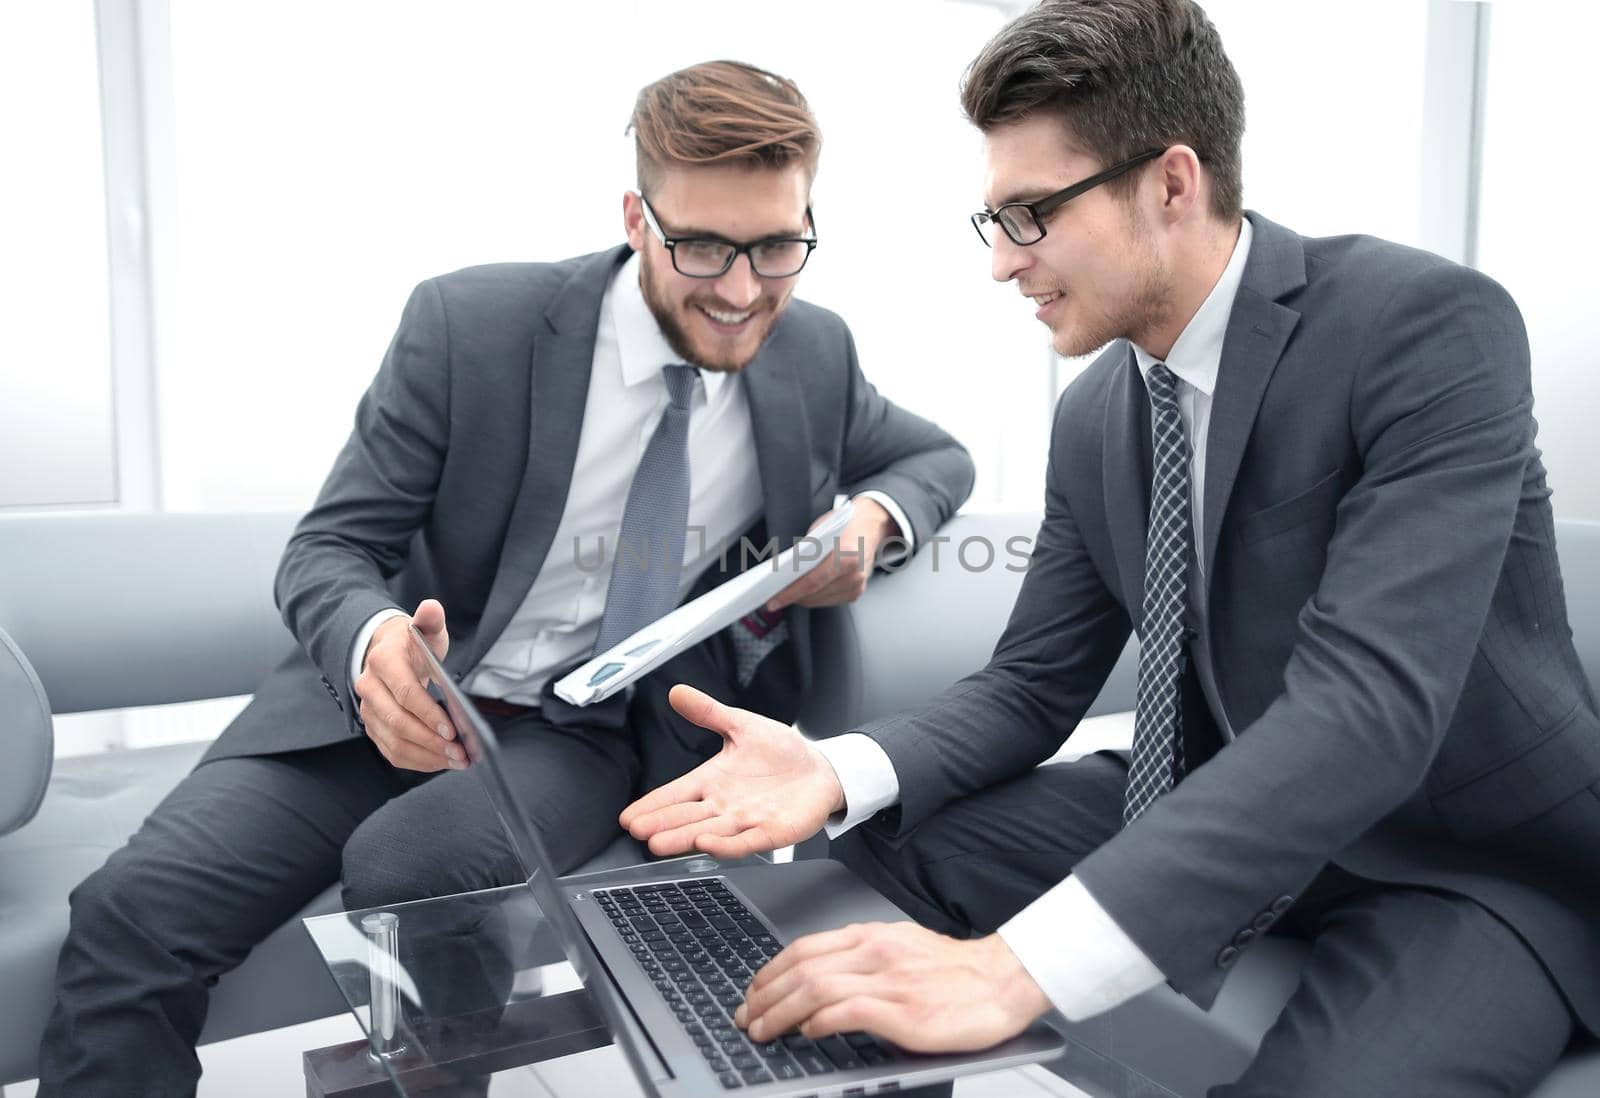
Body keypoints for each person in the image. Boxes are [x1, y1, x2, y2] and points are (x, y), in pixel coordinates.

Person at [621, 4, 1600, 1094]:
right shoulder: (1097, 416)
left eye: (1030, 215)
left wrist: (1014, 969)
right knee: (877, 864)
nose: (1001, 264)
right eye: (991, 221)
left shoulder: (1421, 327)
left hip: (1461, 859)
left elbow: (1367, 705)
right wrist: (835, 766)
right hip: (1215, 786)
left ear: (1170, 184)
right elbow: (1033, 685)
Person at [38, 59, 974, 1097]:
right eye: (703, 246)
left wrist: (873, 522)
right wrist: (372, 646)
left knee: (417, 875)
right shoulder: (469, 329)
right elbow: (329, 548)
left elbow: (936, 459)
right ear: (636, 216)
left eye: (778, 246)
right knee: (130, 914)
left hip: (568, 732)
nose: (744, 289)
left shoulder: (812, 355)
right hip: (365, 711)